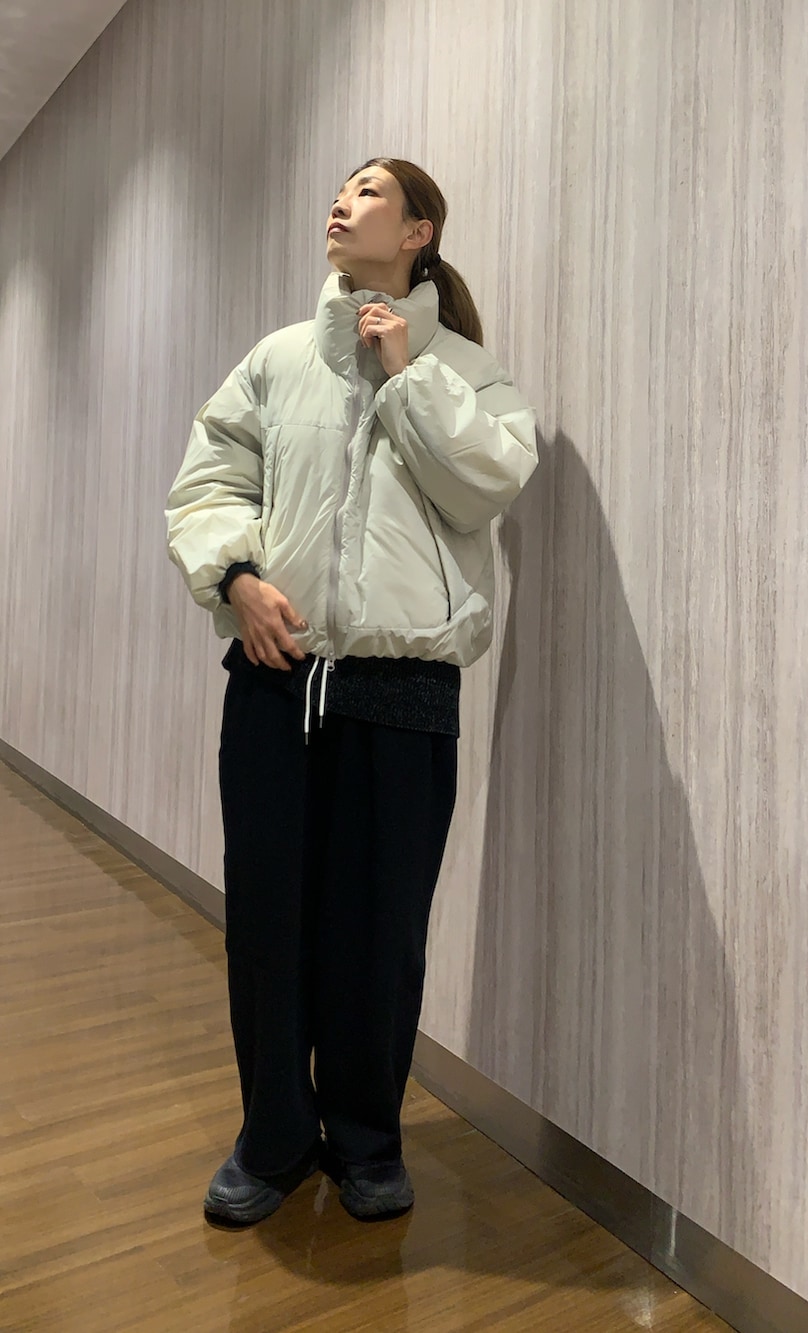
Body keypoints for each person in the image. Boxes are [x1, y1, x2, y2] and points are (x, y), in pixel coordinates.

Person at [165, 158, 537, 1226]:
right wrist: (237, 578)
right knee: (268, 922)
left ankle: (369, 1139)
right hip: (276, 676)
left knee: (380, 930)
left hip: (403, 687)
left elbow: (484, 486)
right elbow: (209, 480)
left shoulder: (468, 372)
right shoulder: (278, 360)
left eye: (370, 191)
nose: (343, 201)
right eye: (343, 188)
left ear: (419, 230)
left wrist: (408, 375)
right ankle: (273, 1137)